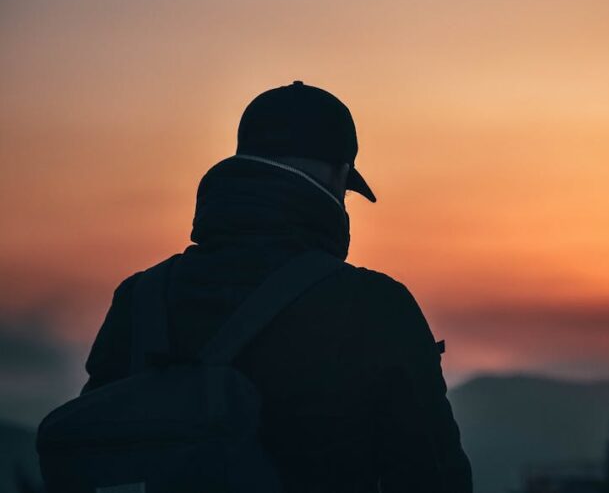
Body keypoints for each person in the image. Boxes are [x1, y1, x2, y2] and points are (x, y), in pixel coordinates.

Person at [80, 81, 473, 492]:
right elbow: (435, 477)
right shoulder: (375, 309)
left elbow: (95, 457)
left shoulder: (141, 299)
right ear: (339, 177)